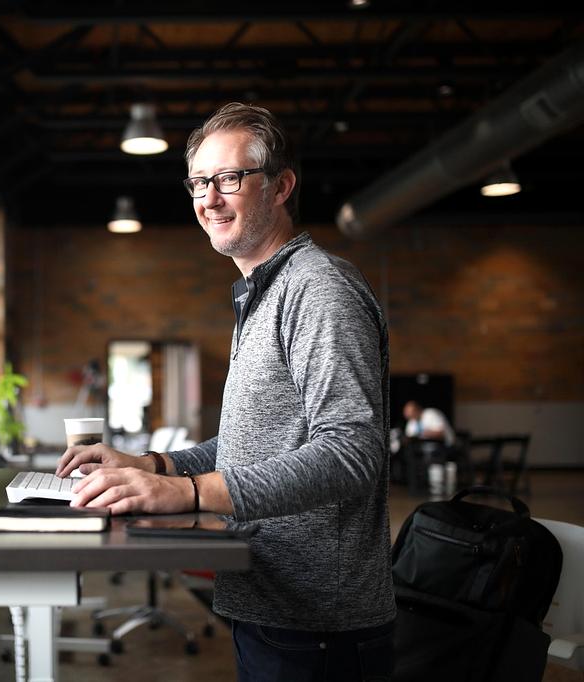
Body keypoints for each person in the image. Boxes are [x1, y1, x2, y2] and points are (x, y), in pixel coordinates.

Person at [56, 102, 395, 681]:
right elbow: (251, 445)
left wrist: (188, 493)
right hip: (272, 603)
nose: (209, 199)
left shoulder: (317, 290)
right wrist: (153, 464)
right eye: (198, 182)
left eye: (229, 179)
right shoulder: (261, 293)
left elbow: (352, 453)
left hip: (318, 624)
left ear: (281, 185)